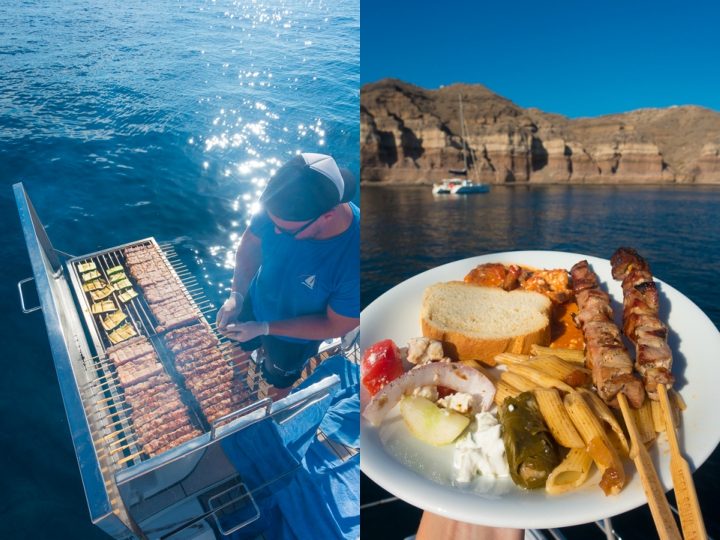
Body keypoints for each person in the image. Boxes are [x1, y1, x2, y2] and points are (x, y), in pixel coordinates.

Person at [216, 153, 359, 395]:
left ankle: (265, 411)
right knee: (239, 345)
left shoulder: (356, 259)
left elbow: (335, 325)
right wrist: (237, 294)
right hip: (256, 300)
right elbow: (250, 245)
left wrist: (266, 328)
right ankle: (238, 390)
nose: (275, 232)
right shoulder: (280, 202)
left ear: (327, 216)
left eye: (284, 230)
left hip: (295, 337)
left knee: (278, 381)